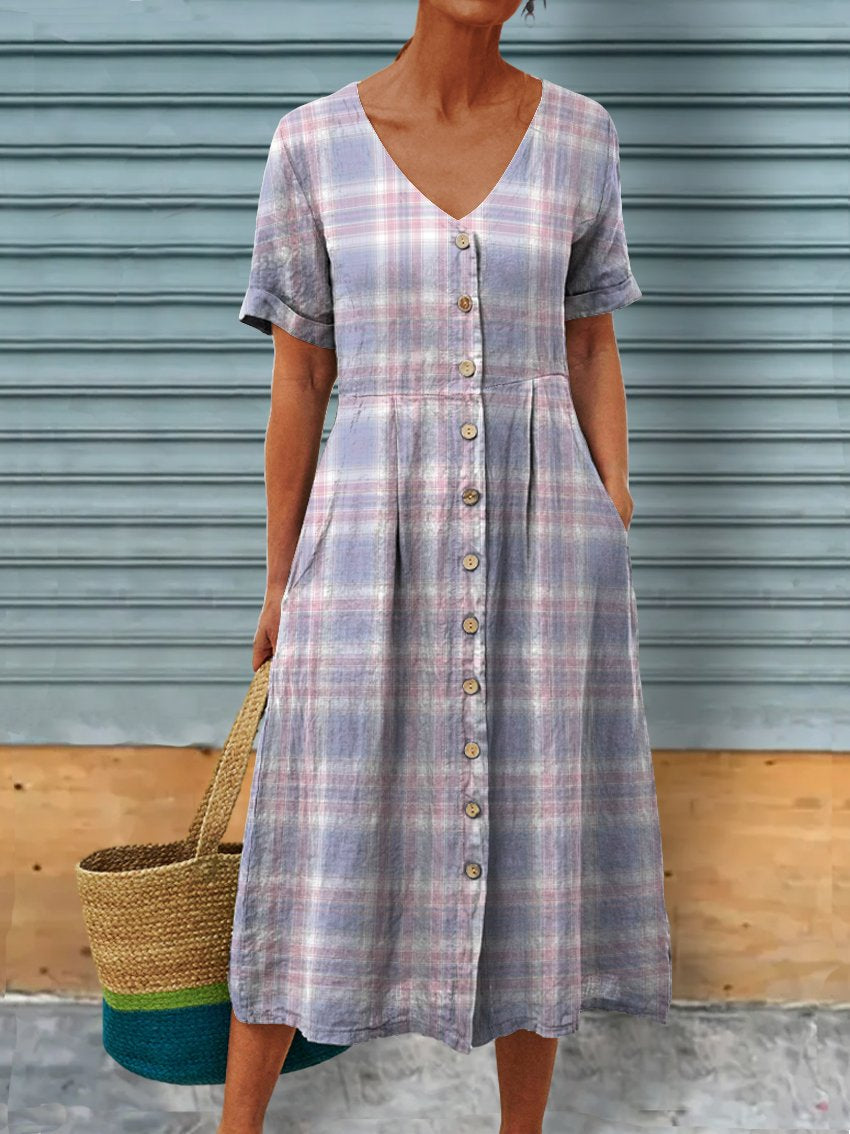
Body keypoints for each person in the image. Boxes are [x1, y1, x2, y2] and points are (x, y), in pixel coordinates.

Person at [219, 2, 672, 1131]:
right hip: (366, 534)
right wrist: (280, 579)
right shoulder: (313, 143)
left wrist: (611, 502)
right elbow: (301, 380)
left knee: (536, 826)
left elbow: (589, 340)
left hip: (548, 543)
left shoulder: (580, 135)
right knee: (313, 827)